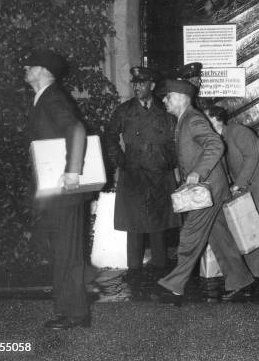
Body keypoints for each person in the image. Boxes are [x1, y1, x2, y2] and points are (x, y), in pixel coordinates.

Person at [156, 79, 254, 302]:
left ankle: (175, 283)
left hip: (207, 188)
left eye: (168, 96)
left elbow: (216, 145)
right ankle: (240, 279)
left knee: (190, 233)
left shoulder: (192, 119)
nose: (164, 100)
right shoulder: (184, 119)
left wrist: (198, 172)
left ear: (181, 97)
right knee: (219, 236)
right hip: (210, 188)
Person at [24, 49, 90, 329]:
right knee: (57, 246)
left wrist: (73, 171)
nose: (25, 68)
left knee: (67, 250)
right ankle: (70, 307)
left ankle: (74, 313)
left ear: (42, 71)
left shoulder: (52, 97)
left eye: (30, 65)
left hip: (65, 189)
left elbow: (76, 130)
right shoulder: (43, 98)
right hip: (53, 190)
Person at [105, 66, 180, 277]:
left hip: (159, 172)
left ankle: (160, 270)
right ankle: (134, 272)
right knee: (134, 225)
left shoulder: (165, 110)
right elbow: (110, 136)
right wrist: (121, 161)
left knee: (159, 224)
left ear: (152, 86)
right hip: (134, 174)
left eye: (141, 83)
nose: (136, 87)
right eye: (134, 83)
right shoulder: (124, 111)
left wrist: (170, 161)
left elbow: (177, 139)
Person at [205, 105, 259, 278]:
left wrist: (237, 185)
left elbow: (252, 157)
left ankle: (256, 276)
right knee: (253, 229)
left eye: (205, 118)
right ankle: (254, 275)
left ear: (216, 119)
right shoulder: (219, 138)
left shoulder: (238, 131)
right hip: (255, 186)